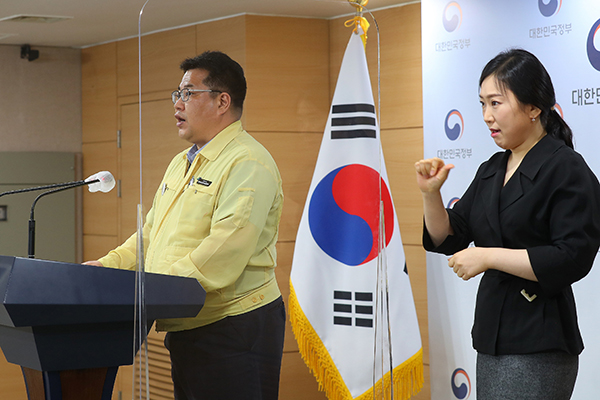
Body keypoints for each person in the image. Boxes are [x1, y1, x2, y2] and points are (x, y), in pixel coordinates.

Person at [85, 51, 285, 400]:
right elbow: (152, 234)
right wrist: (107, 268)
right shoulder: (182, 162)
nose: (178, 104)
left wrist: (152, 290)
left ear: (222, 101)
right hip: (187, 320)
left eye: (189, 93)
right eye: (177, 93)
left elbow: (225, 249)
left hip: (233, 326)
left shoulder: (248, 162)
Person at [415, 49, 600, 399]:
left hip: (540, 339)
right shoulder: (492, 168)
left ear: (534, 108)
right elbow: (449, 237)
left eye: (496, 103)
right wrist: (430, 194)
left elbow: (571, 257)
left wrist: (488, 256)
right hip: (492, 336)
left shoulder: (566, 167)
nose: (487, 116)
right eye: (483, 104)